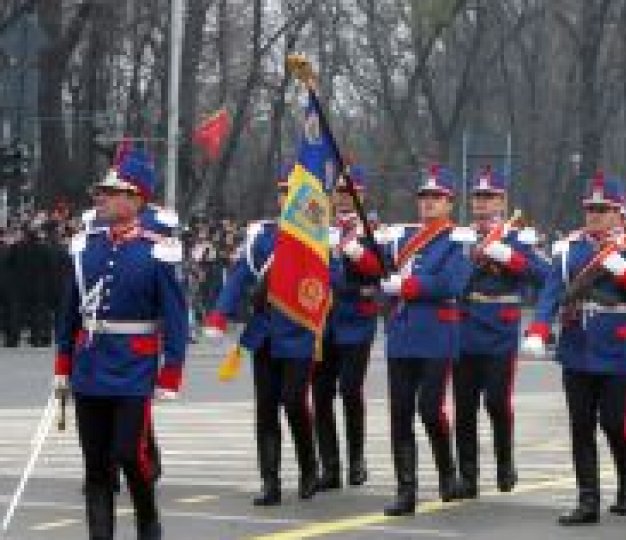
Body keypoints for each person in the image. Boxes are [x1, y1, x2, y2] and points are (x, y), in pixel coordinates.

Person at [53, 145, 188, 539]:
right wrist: (63, 367)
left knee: (129, 454)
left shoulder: (157, 251)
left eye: (113, 192)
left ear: (136, 199)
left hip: (134, 368)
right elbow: (69, 314)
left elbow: (175, 319)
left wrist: (171, 374)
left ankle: (147, 522)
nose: (103, 198)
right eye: (103, 192)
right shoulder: (85, 246)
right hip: (90, 366)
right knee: (95, 464)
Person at [521, 173, 626, 525]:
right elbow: (552, 292)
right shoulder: (569, 249)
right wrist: (539, 328)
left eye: (603, 209)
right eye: (591, 209)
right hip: (577, 346)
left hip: (617, 347)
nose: (596, 215)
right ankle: (588, 500)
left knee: (614, 422)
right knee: (581, 425)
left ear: (618, 213)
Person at [203, 168, 321, 506]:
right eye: (283, 193)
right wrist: (218, 315)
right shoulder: (262, 236)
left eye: (293, 194)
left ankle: (309, 467)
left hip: (298, 331)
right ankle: (270, 481)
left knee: (294, 401)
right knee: (266, 407)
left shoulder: (315, 237)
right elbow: (240, 276)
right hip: (265, 331)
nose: (287, 199)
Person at [376, 164, 473, 516]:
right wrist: (365, 256)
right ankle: (406, 490)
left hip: (435, 336)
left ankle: (448, 475)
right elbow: (379, 270)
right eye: (425, 197)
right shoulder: (400, 237)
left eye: (437, 198)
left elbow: (451, 284)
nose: (429, 203)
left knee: (430, 409)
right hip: (401, 335)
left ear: (449, 203)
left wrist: (407, 286)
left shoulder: (458, 240)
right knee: (400, 413)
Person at [455, 166, 548, 498]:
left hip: (499, 326)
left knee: (496, 401)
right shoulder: (460, 236)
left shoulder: (519, 237)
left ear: (502, 201)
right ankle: (467, 475)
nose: (482, 203)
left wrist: (509, 257)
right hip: (464, 325)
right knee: (464, 405)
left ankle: (504, 462)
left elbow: (544, 275)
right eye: (478, 197)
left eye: (489, 197)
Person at [313, 165, 382, 489]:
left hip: (357, 315)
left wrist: (356, 252)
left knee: (350, 389)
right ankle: (330, 465)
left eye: (350, 192)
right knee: (321, 392)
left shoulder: (375, 230)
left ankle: (356, 459)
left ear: (362, 195)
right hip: (324, 318)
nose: (344, 198)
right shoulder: (318, 227)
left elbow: (380, 270)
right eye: (339, 192)